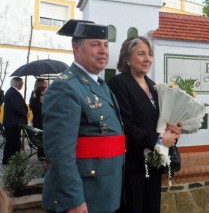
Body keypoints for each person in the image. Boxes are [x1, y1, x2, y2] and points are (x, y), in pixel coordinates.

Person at [41, 19, 125, 213]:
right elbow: (60, 153)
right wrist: (73, 200)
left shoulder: (101, 85)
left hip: (104, 192)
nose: (103, 50)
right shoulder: (66, 87)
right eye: (95, 44)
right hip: (82, 198)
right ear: (76, 49)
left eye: (105, 45)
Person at [108, 36, 181, 213]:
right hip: (132, 166)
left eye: (150, 54)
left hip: (154, 165)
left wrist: (172, 130)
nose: (147, 59)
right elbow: (126, 127)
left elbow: (159, 122)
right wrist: (159, 139)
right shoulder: (119, 84)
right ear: (127, 58)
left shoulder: (154, 86)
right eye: (141, 54)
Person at [2, 77, 28, 165]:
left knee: (13, 142)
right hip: (13, 122)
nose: (23, 85)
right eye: (22, 83)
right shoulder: (13, 93)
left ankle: (11, 159)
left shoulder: (11, 91)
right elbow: (16, 107)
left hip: (12, 122)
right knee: (12, 142)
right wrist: (25, 113)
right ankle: (8, 160)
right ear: (19, 84)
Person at [29, 85, 46, 160]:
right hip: (39, 124)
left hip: (38, 123)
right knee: (42, 138)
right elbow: (42, 113)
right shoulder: (37, 102)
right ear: (41, 94)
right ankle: (42, 154)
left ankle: (42, 153)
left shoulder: (36, 101)